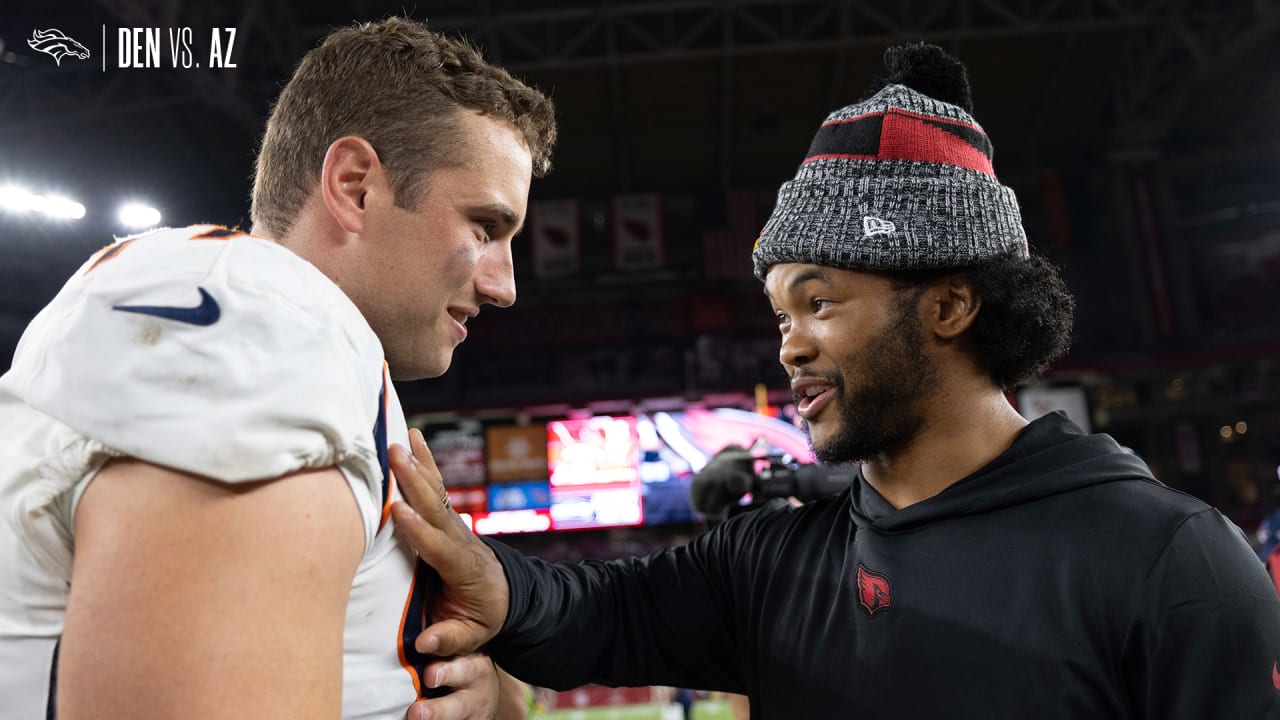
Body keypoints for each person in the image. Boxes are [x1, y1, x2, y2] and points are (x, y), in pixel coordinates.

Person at [388, 43, 1280, 719]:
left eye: (819, 302)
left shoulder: (1169, 562)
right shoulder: (775, 558)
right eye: (780, 314)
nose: (789, 348)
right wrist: (490, 578)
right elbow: (605, 608)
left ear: (950, 306)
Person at [0, 17, 555, 719]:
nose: (503, 285)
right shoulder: (258, 319)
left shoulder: (312, 339)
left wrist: (490, 692)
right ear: (355, 187)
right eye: (484, 228)